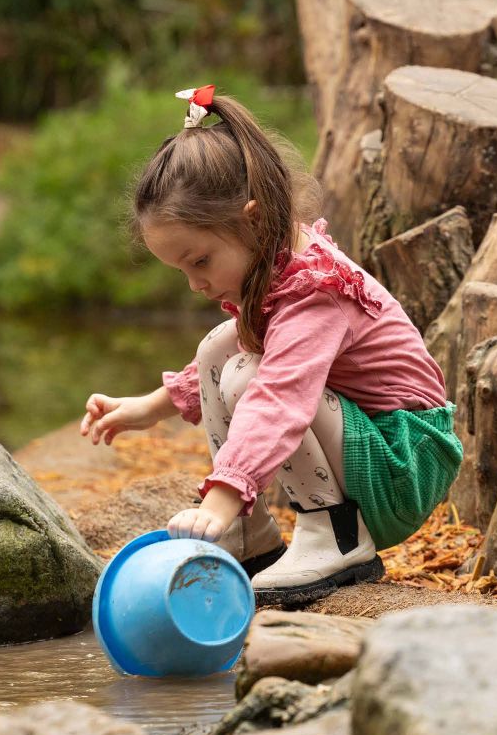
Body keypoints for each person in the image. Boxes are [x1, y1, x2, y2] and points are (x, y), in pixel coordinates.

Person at [79, 85, 462, 606]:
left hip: (403, 461)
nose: (194, 283)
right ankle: (248, 535)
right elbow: (224, 363)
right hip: (368, 444)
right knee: (222, 347)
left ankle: (338, 536)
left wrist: (219, 498)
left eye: (200, 261)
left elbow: (280, 397)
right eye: (181, 269)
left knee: (250, 377)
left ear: (254, 219)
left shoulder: (314, 294)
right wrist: (148, 407)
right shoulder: (278, 261)